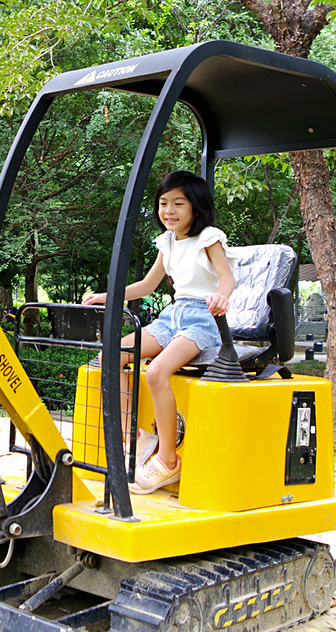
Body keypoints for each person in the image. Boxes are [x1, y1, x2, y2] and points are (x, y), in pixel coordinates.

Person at [82, 170, 236, 494]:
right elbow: (147, 285)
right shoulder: (166, 241)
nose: (169, 211)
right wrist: (107, 296)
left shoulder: (208, 238)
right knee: (109, 357)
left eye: (178, 203)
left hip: (201, 318)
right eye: (164, 203)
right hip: (173, 316)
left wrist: (222, 296)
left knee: (156, 374)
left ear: (196, 206)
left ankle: (168, 460)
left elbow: (226, 278)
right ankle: (135, 438)